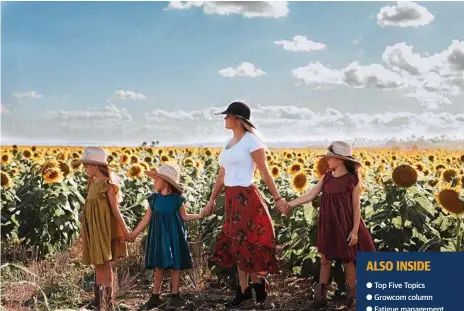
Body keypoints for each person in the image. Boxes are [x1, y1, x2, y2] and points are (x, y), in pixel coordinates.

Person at [202, 101, 288, 307]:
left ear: (238, 120)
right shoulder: (229, 144)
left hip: (246, 197)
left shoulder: (252, 142)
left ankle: (251, 287)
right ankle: (249, 288)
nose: (224, 119)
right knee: (235, 243)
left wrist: (277, 198)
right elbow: (221, 175)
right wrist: (212, 199)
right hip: (231, 197)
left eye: (227, 116)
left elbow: (265, 172)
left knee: (245, 243)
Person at [280, 141, 376, 310]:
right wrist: (289, 204)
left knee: (348, 262)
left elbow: (356, 208)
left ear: (339, 159)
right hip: (328, 223)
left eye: (330, 158)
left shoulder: (352, 180)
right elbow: (310, 195)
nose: (327, 161)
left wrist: (354, 231)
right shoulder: (327, 177)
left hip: (345, 224)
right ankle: (320, 297)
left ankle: (352, 299)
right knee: (325, 259)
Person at [128, 164, 205, 310]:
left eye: (156, 179)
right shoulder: (154, 199)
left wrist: (200, 215)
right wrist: (134, 234)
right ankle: (155, 296)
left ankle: (175, 296)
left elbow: (185, 217)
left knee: (176, 266)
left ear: (166, 182)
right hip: (158, 235)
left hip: (175, 235)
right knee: (159, 266)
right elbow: (146, 219)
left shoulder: (177, 200)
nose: (153, 182)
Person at [78, 146, 130, 310]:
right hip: (93, 229)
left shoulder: (108, 186)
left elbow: (115, 211)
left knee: (104, 264)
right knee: (97, 263)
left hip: (104, 230)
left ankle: (107, 302)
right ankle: (98, 299)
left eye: (86, 165)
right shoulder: (91, 183)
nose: (85, 168)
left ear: (96, 165)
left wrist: (126, 231)